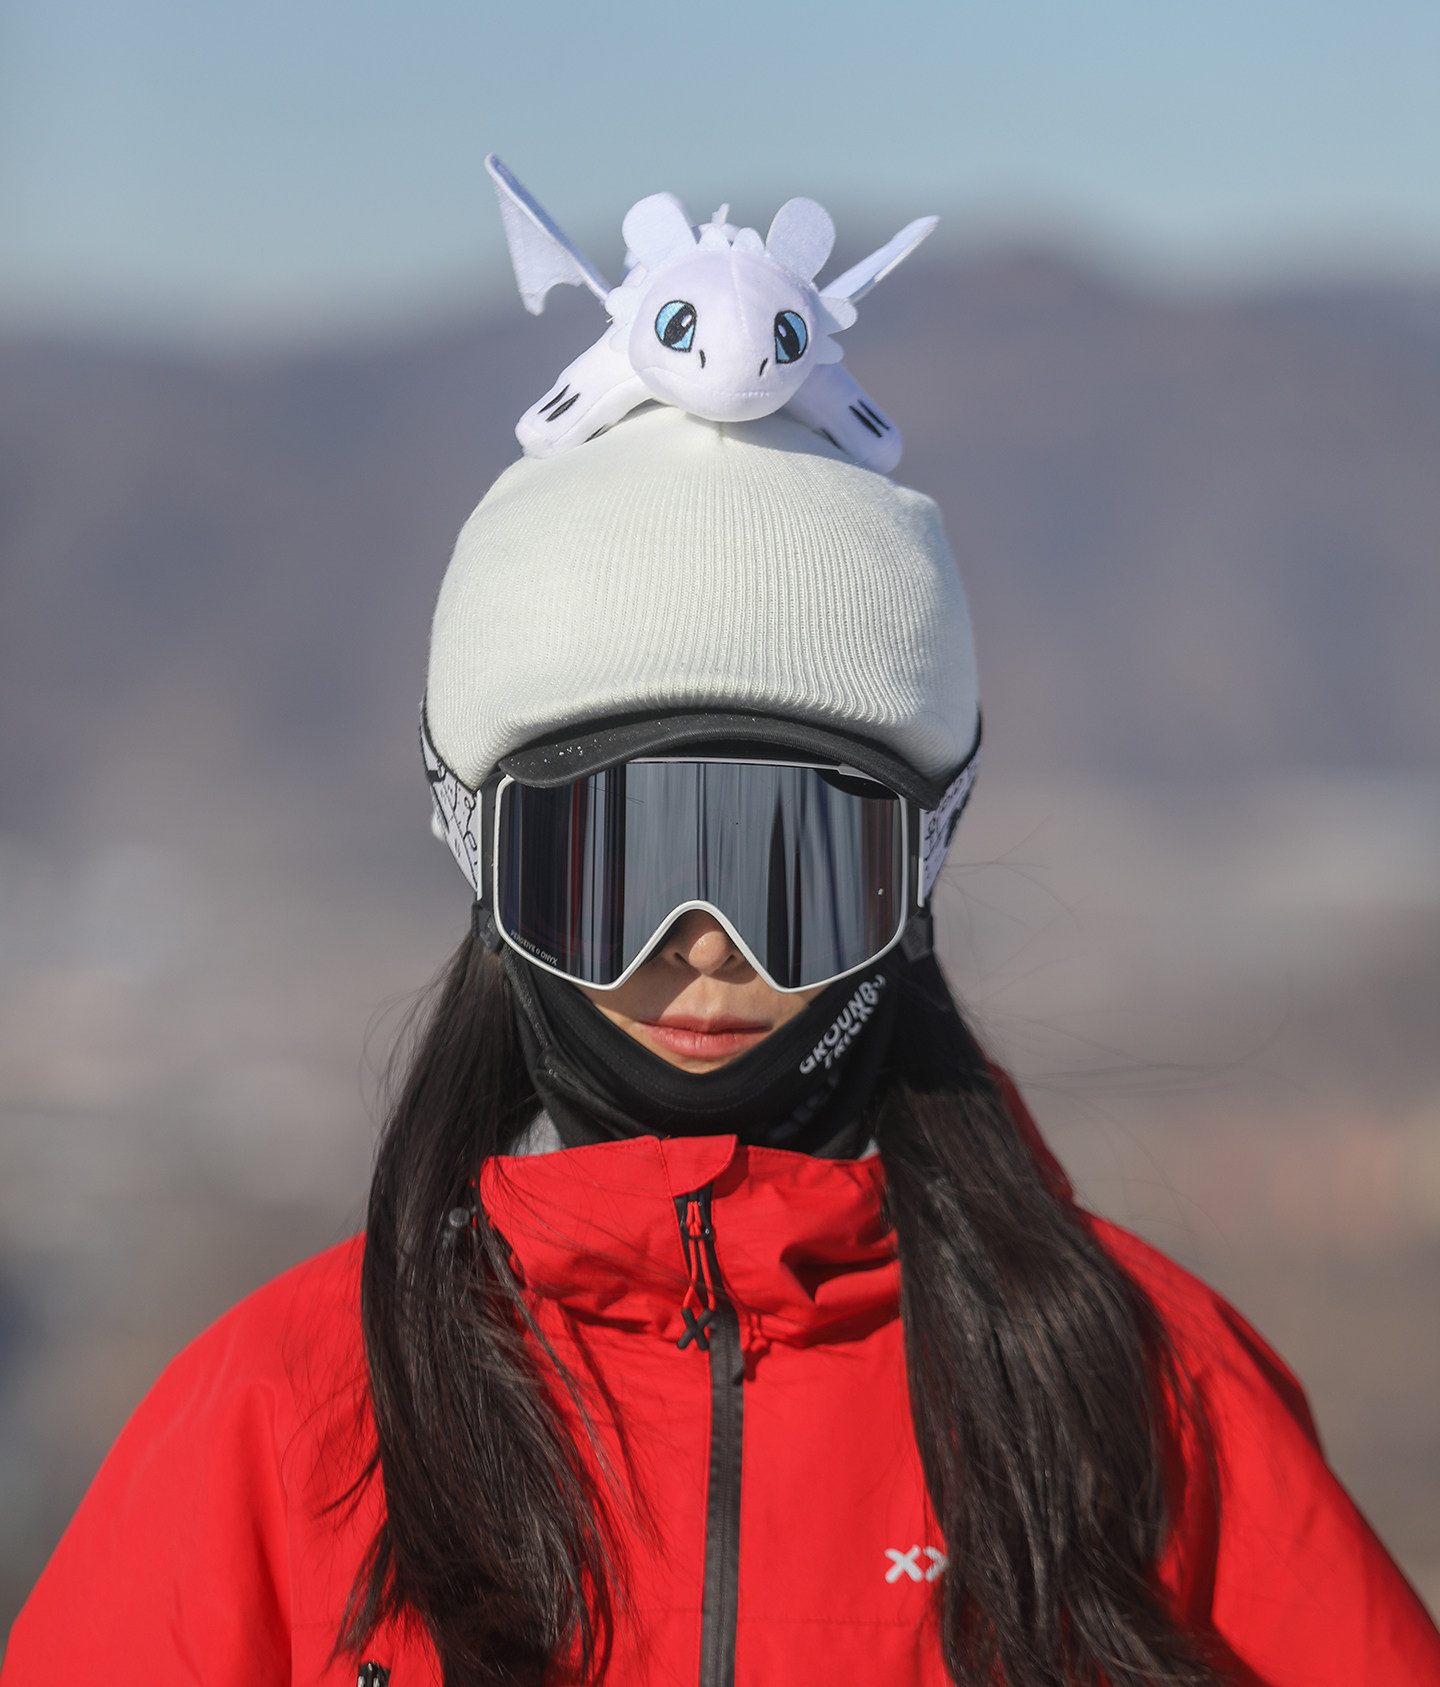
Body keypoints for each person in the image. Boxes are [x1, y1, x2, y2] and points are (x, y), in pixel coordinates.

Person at [5, 404, 1439, 1687]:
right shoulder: (289, 1416)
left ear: (910, 886)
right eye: (609, 872)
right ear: (490, 875)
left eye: (792, 873)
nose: (704, 948)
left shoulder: (1127, 1393)